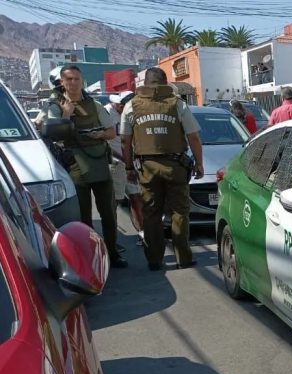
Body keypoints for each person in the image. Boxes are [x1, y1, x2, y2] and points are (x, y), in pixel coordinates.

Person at [120, 67, 204, 271]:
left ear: (145, 83)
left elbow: (125, 140)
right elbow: (193, 136)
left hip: (147, 168)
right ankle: (183, 258)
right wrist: (199, 163)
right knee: (179, 212)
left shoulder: (132, 105)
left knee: (151, 213)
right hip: (175, 166)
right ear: (165, 82)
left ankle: (155, 259)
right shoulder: (178, 104)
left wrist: (129, 166)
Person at [47, 65, 128, 268]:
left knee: (108, 213)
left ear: (81, 81)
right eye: (69, 79)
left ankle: (112, 252)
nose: (73, 83)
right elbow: (52, 134)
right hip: (74, 164)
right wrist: (66, 115)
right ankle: (89, 258)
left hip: (98, 160)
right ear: (62, 82)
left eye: (76, 79)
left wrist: (98, 135)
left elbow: (111, 132)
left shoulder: (94, 104)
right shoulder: (55, 105)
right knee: (83, 216)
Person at [105, 91, 144, 243]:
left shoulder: (131, 114)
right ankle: (112, 240)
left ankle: (142, 233)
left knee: (136, 198)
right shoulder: (106, 113)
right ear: (119, 105)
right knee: (115, 202)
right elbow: (106, 144)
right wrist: (125, 159)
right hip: (116, 164)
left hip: (131, 163)